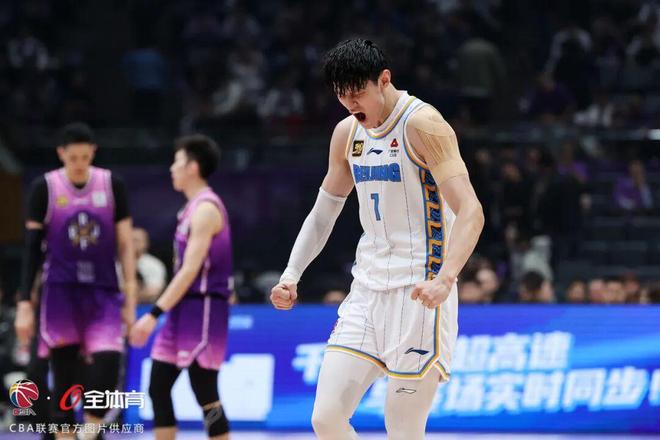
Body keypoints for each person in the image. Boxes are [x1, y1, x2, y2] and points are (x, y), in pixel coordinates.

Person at [270, 39, 484, 440]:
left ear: (384, 80)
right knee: (326, 419)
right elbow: (324, 212)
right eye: (341, 95)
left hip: (420, 292)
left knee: (402, 430)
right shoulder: (346, 133)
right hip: (367, 291)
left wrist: (446, 278)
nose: (350, 104)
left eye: (357, 93)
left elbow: (471, 210)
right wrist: (291, 274)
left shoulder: (423, 124)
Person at [13, 122, 137, 439]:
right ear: (61, 154)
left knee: (107, 364)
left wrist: (131, 295)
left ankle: (91, 429)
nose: (79, 164)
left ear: (93, 152)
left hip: (103, 292)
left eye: (85, 157)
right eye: (73, 158)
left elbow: (126, 245)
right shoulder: (45, 187)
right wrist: (25, 303)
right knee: (64, 386)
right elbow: (32, 250)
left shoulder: (112, 185)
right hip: (60, 294)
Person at [129, 135, 232, 440]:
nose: (171, 168)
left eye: (177, 162)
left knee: (205, 391)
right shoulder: (188, 209)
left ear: (193, 167)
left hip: (203, 308)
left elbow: (190, 270)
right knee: (158, 386)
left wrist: (152, 314)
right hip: (181, 310)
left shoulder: (206, 209)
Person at [132, 227, 167, 303]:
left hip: (147, 305)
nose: (133, 243)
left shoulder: (155, 265)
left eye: (136, 240)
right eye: (130, 240)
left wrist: (130, 294)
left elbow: (154, 291)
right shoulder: (116, 264)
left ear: (145, 243)